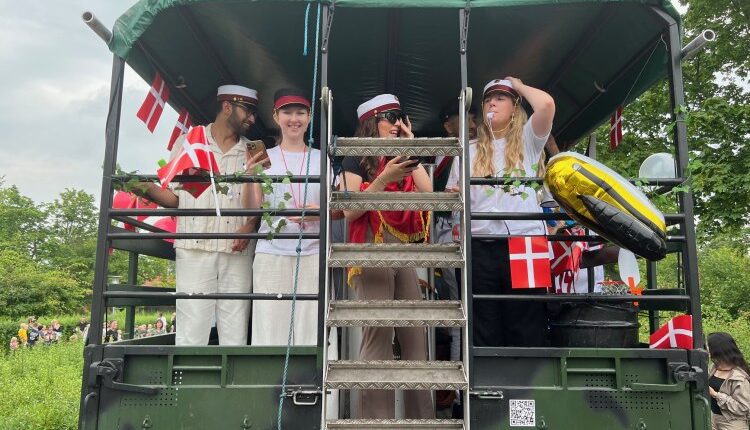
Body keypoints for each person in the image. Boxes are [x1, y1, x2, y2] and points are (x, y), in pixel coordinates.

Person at [140, 85, 268, 346]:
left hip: (237, 250)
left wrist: (251, 225)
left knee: (235, 329)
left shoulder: (254, 149)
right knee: (192, 328)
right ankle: (187, 385)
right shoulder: (189, 142)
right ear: (227, 107)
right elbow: (176, 198)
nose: (252, 119)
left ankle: (232, 387)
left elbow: (263, 203)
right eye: (248, 111)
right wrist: (146, 189)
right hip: (194, 246)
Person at [340, 94, 433, 419]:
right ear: (371, 123)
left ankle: (423, 423)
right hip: (370, 245)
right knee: (377, 338)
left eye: (400, 116)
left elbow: (429, 196)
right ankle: (373, 424)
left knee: (415, 340)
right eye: (390, 117)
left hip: (402, 250)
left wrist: (412, 147)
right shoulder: (355, 157)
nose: (397, 123)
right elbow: (350, 211)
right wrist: (383, 179)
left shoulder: (402, 154)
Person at [447, 77, 555, 347]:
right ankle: (485, 388)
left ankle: (526, 387)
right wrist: (455, 196)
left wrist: (517, 84)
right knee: (483, 321)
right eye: (487, 99)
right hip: (479, 243)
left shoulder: (529, 139)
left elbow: (546, 104)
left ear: (515, 106)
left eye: (500, 97)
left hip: (525, 242)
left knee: (528, 321)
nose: (491, 102)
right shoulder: (466, 150)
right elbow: (452, 199)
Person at [247, 89, 321, 346]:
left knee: (311, 328)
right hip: (272, 251)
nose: (294, 119)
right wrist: (252, 177)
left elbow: (336, 210)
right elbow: (255, 209)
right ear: (275, 116)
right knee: (269, 326)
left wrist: (317, 213)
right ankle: (268, 385)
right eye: (287, 112)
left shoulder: (323, 159)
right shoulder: (265, 157)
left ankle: (315, 388)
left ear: (310, 117)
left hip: (313, 251)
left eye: (300, 112)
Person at [707, 332, 750, 429]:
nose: (707, 349)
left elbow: (743, 408)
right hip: (712, 419)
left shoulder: (739, 377)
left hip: (732, 424)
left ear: (718, 349)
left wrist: (716, 395)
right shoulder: (713, 368)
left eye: (709, 346)